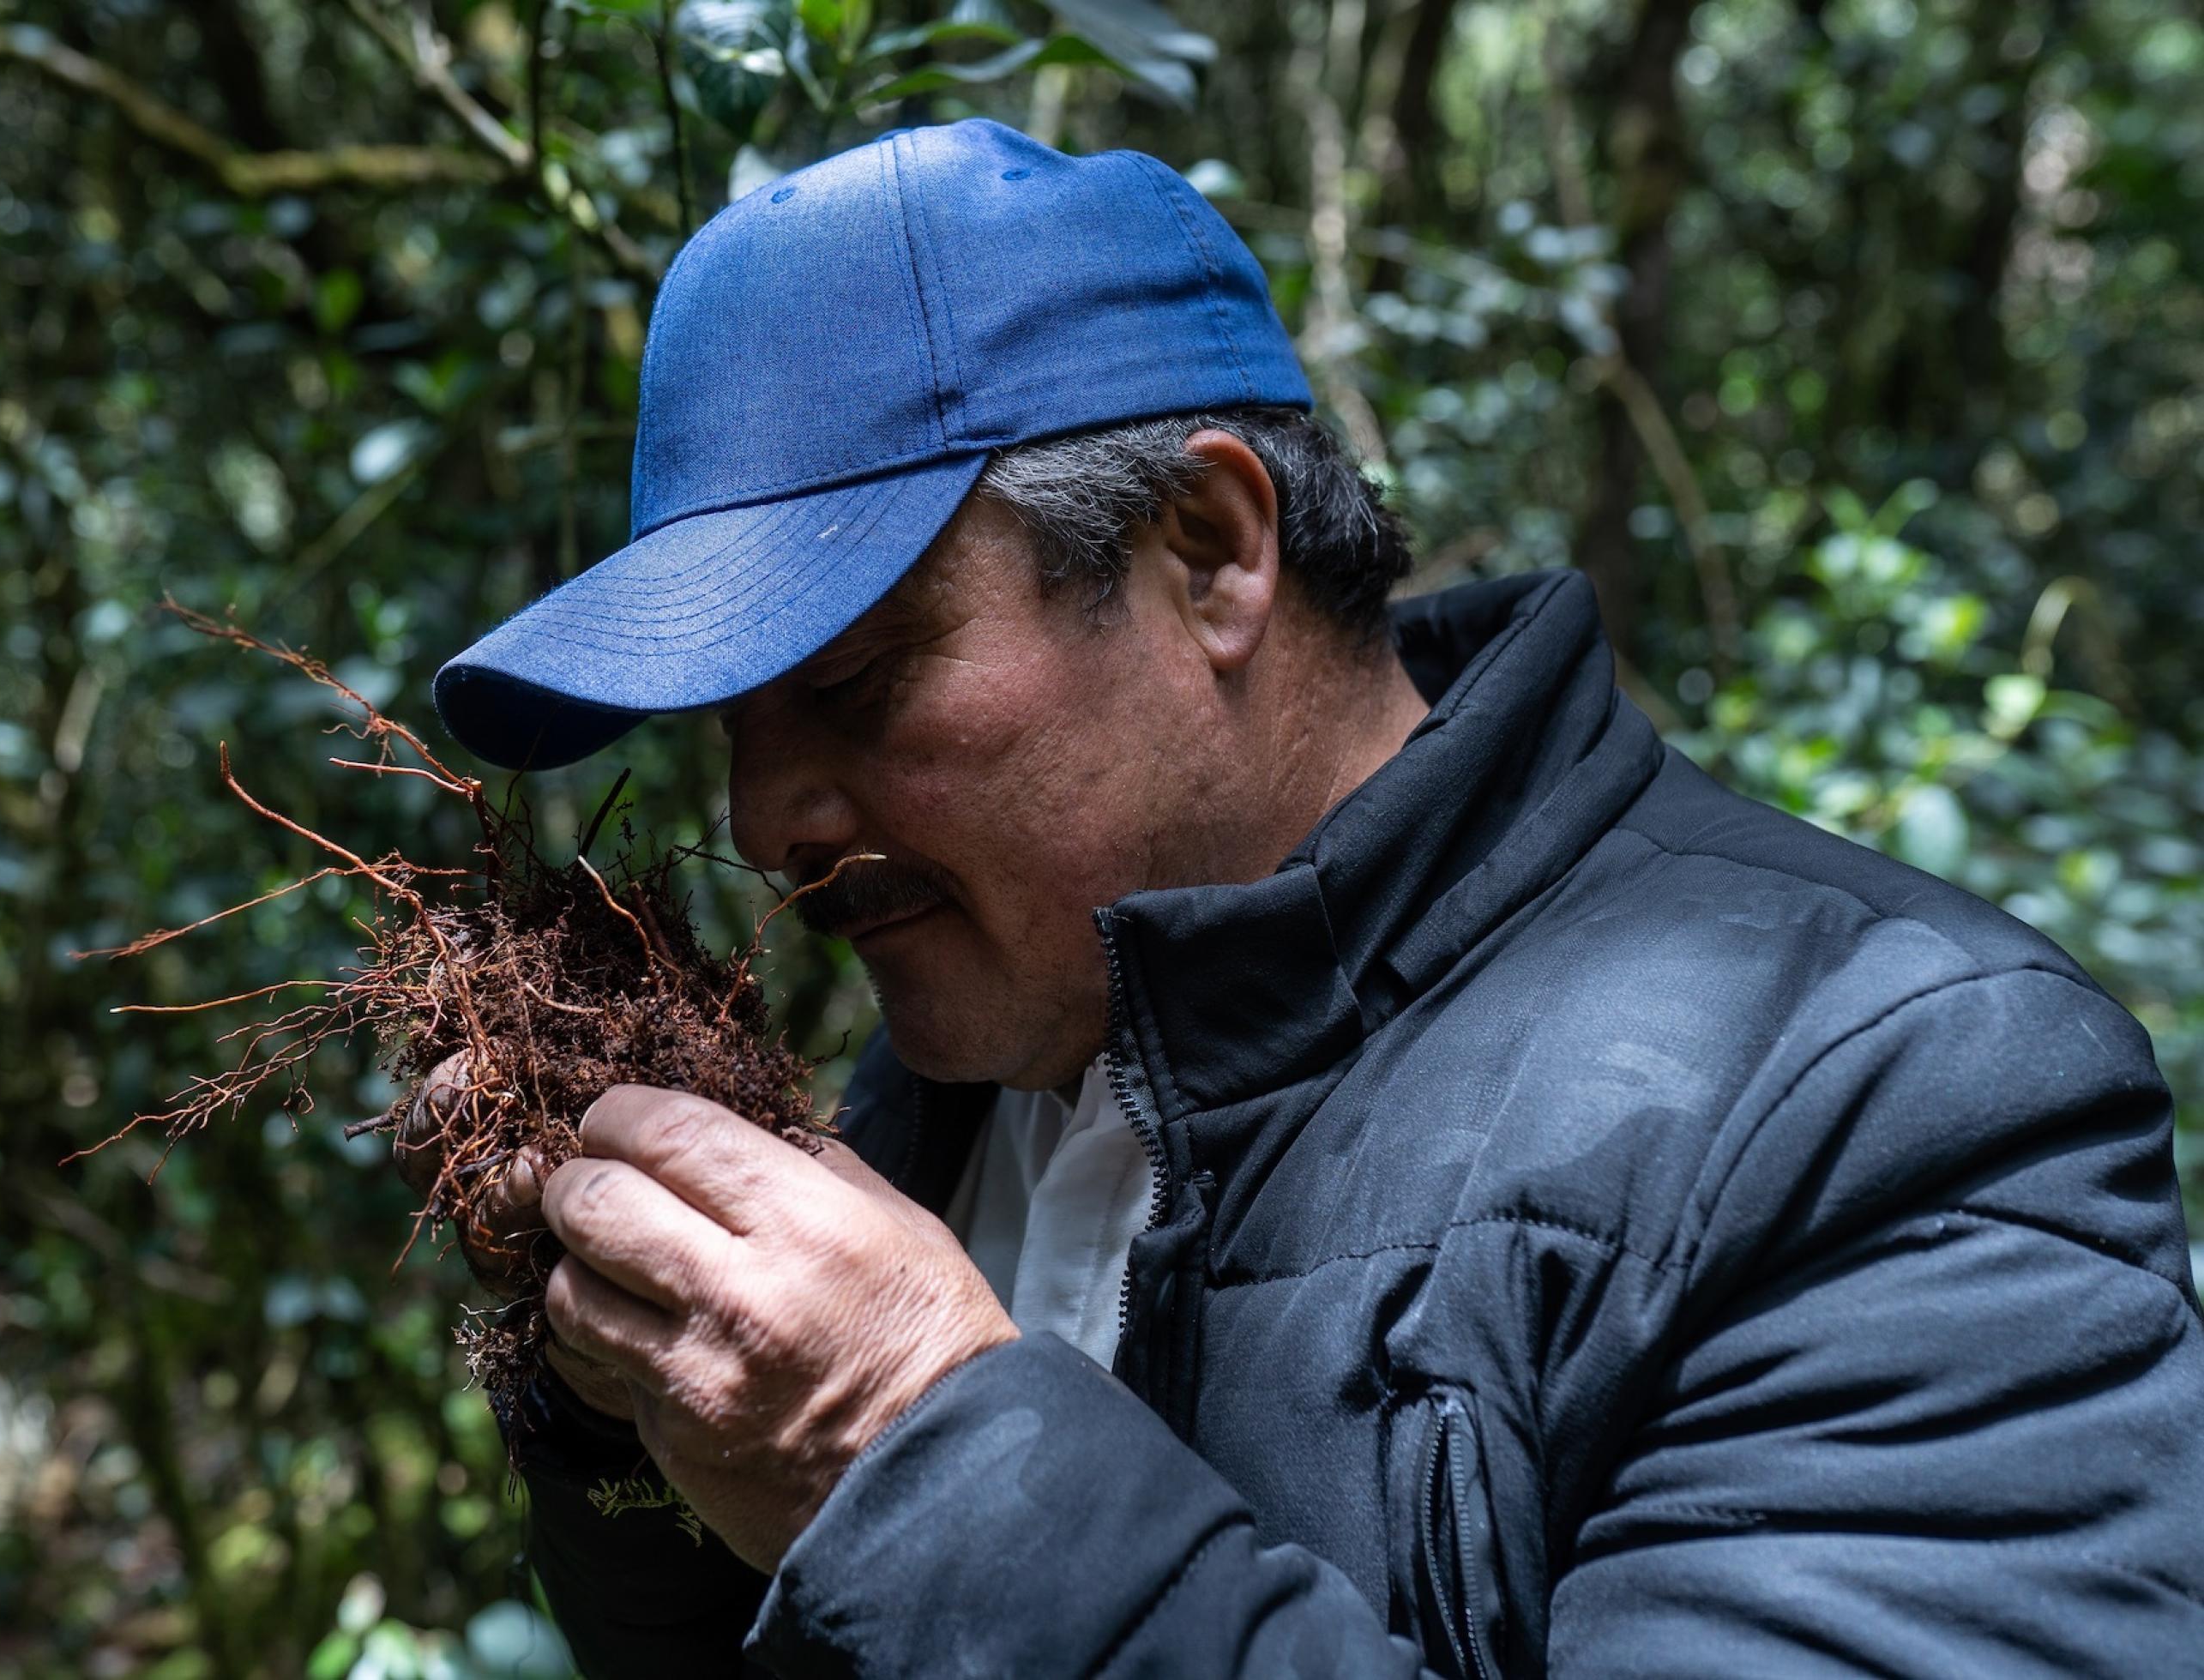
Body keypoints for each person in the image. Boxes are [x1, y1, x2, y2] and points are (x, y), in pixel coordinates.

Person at [400, 118, 2204, 1677]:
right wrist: (626, 1415)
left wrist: (917, 1454)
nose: (766, 815)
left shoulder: (1877, 1101)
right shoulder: (952, 1101)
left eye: (860, 679)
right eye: (729, 725)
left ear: (1209, 549)